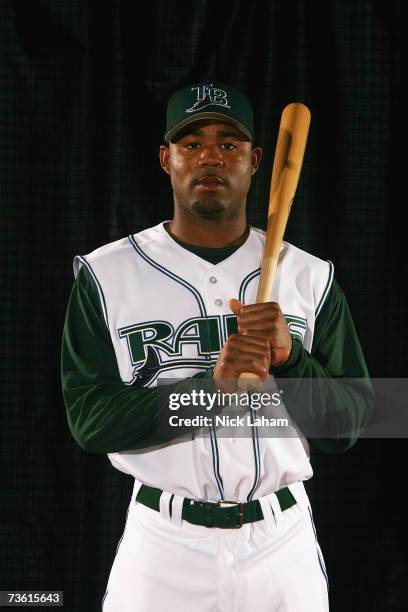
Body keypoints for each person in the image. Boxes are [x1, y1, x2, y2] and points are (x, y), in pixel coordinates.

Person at [61, 81, 373, 612]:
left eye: (229, 144)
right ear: (166, 159)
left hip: (282, 545)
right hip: (163, 546)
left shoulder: (309, 277)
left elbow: (351, 425)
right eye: (192, 143)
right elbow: (90, 422)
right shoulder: (107, 274)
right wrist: (210, 390)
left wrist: (292, 361)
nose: (210, 156)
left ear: (255, 162)